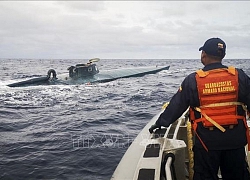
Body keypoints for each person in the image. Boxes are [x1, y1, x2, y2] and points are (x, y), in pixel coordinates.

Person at [149, 37, 250, 180]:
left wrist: (160, 123)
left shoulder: (193, 80)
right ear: (223, 55)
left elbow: (176, 106)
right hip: (236, 140)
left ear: (203, 54)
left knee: (205, 176)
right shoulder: (240, 76)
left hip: (206, 142)